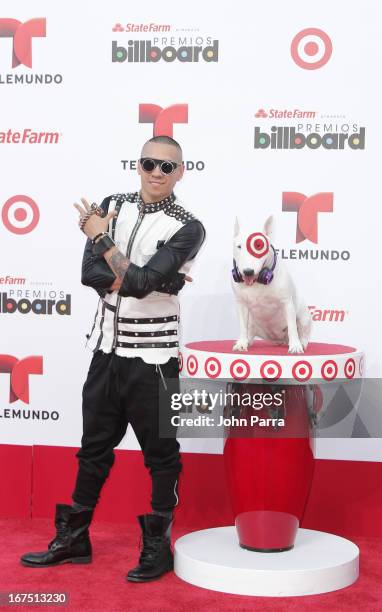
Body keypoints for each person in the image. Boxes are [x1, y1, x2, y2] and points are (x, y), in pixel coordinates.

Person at [20, 135, 206, 582]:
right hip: (105, 351)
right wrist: (147, 277)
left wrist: (103, 240)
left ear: (181, 172)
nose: (156, 173)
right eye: (149, 164)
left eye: (167, 166)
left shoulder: (189, 226)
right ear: (137, 166)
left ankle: (158, 546)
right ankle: (74, 539)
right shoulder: (113, 204)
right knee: (94, 449)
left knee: (161, 455)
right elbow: (93, 274)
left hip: (156, 359)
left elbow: (140, 283)